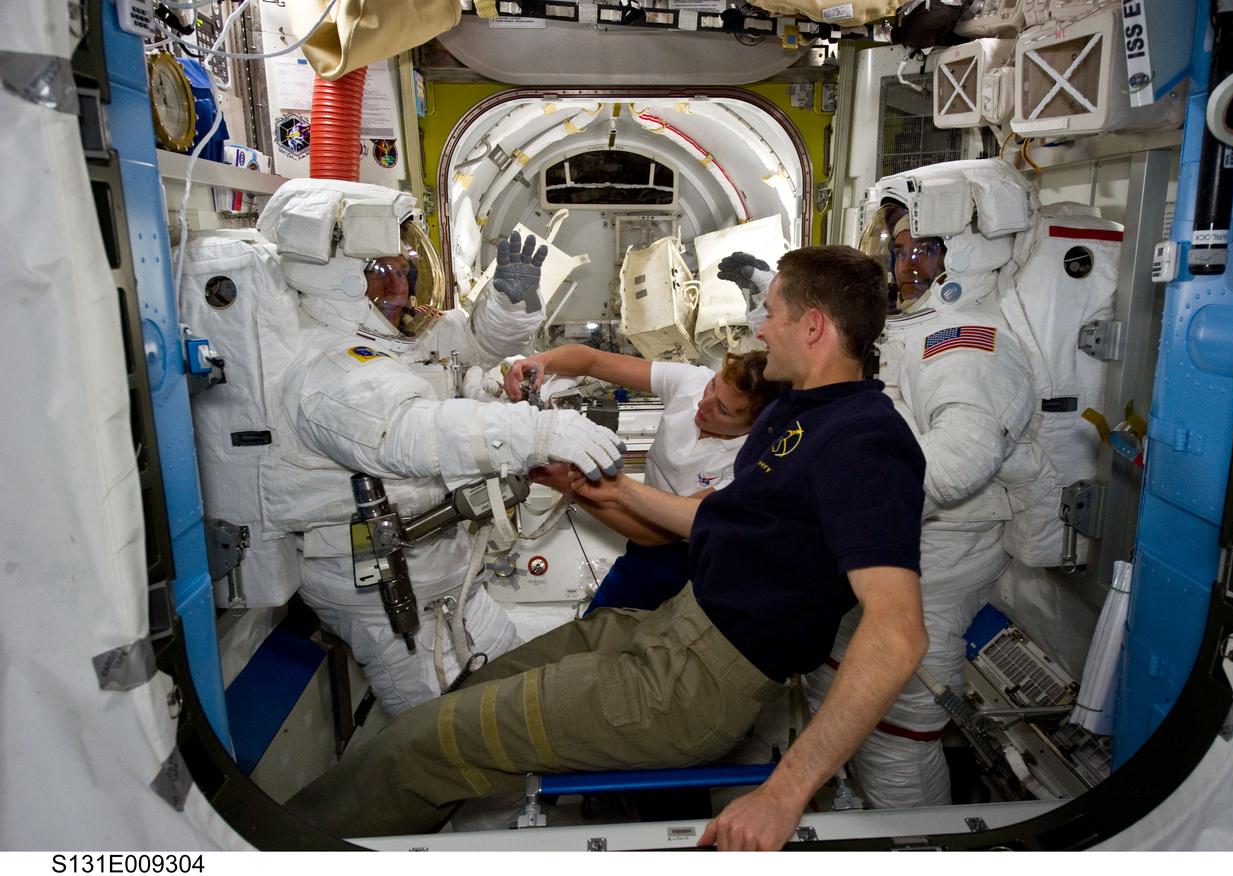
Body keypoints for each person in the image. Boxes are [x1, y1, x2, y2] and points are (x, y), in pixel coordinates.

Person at [286, 244, 928, 851]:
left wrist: (784, 793)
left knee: (423, 745)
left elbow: (898, 634)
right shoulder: (796, 414)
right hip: (671, 625)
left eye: (773, 312)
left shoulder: (865, 442)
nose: (760, 327)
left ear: (813, 327)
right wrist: (600, 486)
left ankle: (271, 848)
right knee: (462, 697)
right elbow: (713, 524)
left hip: (695, 685)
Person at [253, 178, 625, 716]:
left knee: (507, 685)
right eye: (382, 273)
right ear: (336, 280)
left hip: (443, 574)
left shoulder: (393, 337)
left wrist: (507, 304)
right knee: (447, 733)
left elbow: (468, 346)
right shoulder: (329, 368)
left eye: (405, 270)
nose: (400, 287)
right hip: (390, 594)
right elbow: (409, 430)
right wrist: (537, 434)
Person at [799, 158, 1047, 809]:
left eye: (926, 251)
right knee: (828, 694)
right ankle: (850, 822)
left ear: (966, 255)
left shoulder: (968, 343)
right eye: (899, 248)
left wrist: (846, 505)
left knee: (893, 733)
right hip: (886, 555)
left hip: (938, 558)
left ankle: (915, 843)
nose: (907, 265)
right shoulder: (909, 332)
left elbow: (962, 457)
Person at [501, 344, 786, 613]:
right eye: (713, 385)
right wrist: (542, 360)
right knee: (600, 624)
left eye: (722, 409)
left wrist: (566, 483)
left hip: (692, 556)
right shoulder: (692, 382)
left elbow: (654, 535)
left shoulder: (750, 464)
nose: (703, 402)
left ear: (758, 426)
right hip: (647, 545)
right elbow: (592, 361)